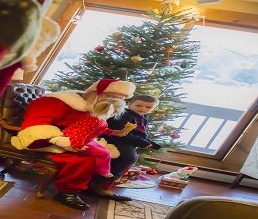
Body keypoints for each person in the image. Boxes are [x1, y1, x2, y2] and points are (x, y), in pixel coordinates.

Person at [11, 78, 135, 210]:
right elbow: (36, 124)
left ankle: (97, 186)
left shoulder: (93, 106)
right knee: (84, 159)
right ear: (97, 92)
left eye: (120, 100)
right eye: (112, 97)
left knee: (123, 155)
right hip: (52, 140)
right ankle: (67, 192)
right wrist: (59, 140)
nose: (114, 103)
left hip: (77, 139)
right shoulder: (56, 101)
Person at [89, 95, 162, 198]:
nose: (143, 109)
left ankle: (105, 182)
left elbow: (140, 133)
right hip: (116, 139)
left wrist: (149, 142)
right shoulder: (125, 115)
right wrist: (143, 143)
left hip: (128, 141)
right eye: (138, 105)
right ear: (129, 104)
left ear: (154, 108)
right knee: (129, 157)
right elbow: (123, 133)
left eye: (148, 107)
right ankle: (102, 183)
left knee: (131, 156)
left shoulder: (143, 117)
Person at [57, 98, 126, 178]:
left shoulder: (98, 118)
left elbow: (100, 129)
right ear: (117, 112)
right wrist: (78, 145)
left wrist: (113, 132)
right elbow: (79, 133)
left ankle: (101, 170)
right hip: (76, 140)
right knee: (105, 153)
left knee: (103, 149)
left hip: (85, 139)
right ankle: (102, 171)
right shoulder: (95, 120)